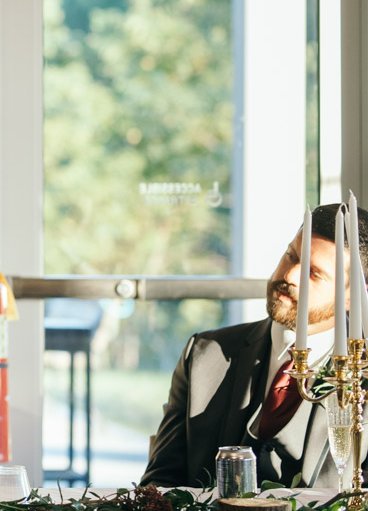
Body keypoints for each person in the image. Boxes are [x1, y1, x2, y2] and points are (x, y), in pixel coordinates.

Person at [142, 203, 368, 489]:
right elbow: (159, 485)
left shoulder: (363, 373)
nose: (289, 276)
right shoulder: (204, 353)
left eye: (313, 273)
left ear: (353, 297)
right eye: (291, 256)